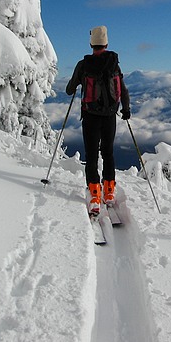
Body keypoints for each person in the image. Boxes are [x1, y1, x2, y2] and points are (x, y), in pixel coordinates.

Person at [66, 26, 130, 215]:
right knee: (108, 152)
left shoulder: (83, 65)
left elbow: (70, 89)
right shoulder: (114, 64)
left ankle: (95, 193)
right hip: (110, 116)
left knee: (92, 154)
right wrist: (126, 110)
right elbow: (123, 90)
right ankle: (109, 190)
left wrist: (77, 84)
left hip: (90, 116)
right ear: (106, 44)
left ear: (91, 44)